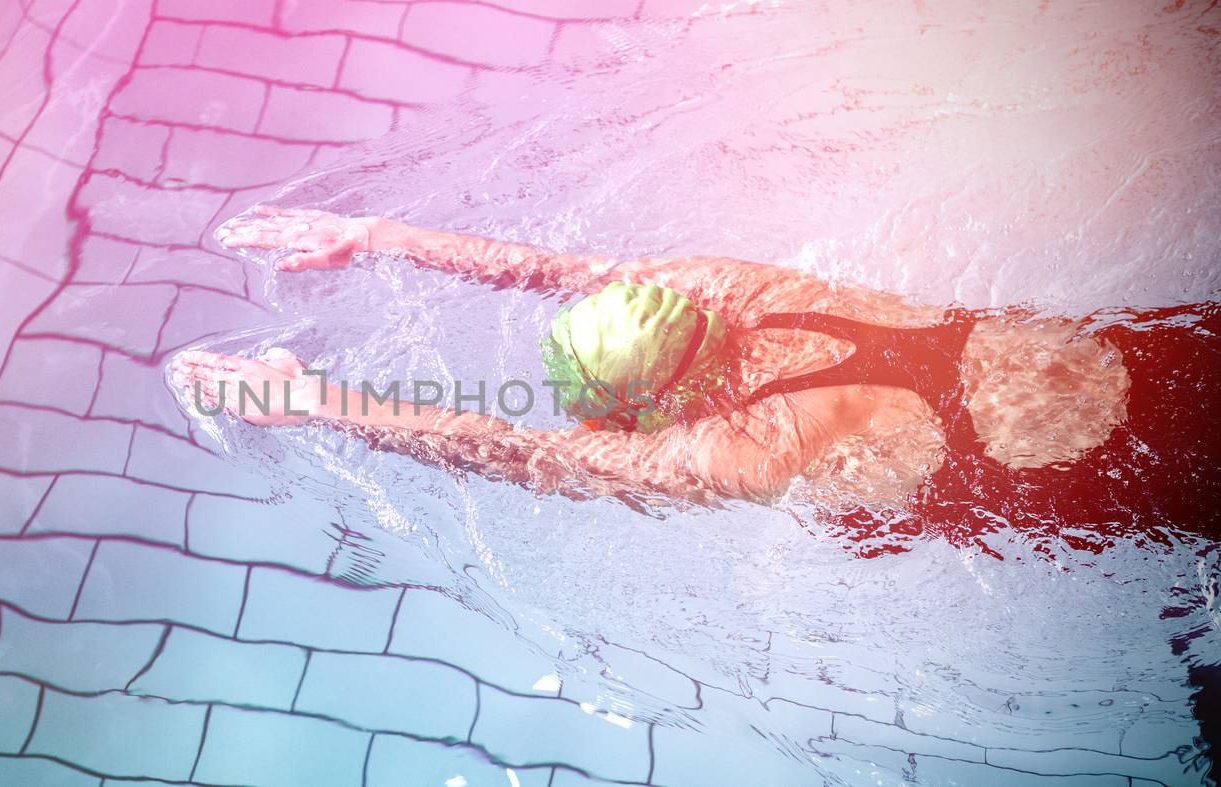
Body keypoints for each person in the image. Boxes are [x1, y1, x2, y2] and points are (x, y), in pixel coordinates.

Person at [175, 206, 1221, 555]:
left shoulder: (733, 449)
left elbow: (509, 449)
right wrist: (375, 235)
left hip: (1125, 477)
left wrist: (308, 401)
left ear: (662, 404)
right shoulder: (733, 287)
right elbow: (550, 270)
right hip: (1155, 353)